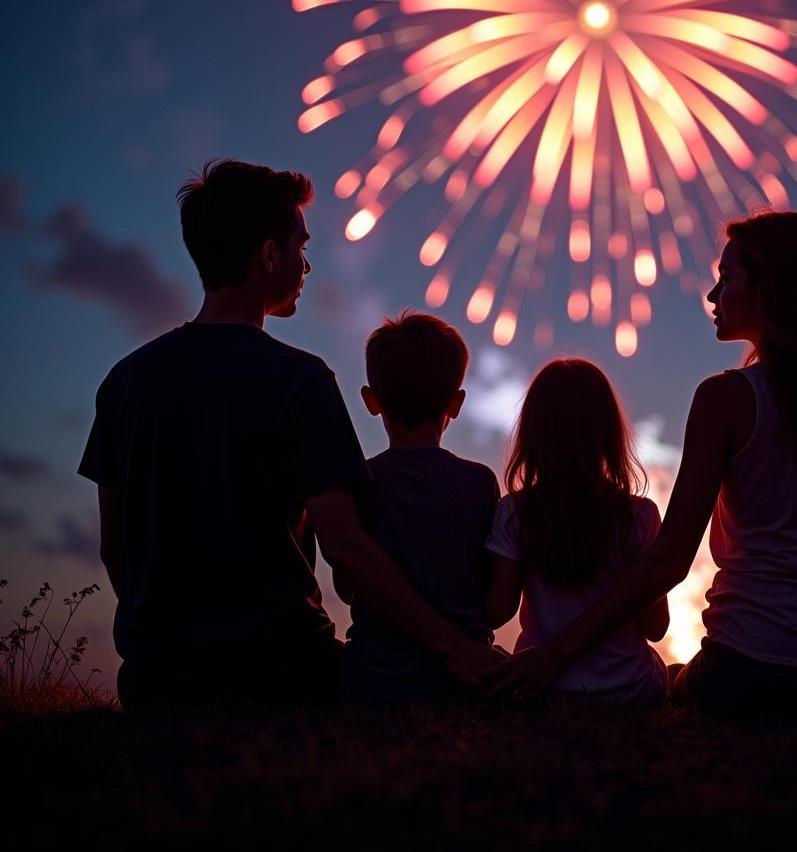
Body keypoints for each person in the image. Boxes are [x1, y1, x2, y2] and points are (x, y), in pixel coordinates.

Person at [79, 158, 499, 710]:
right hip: (281, 675)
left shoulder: (123, 382)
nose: (306, 265)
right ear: (269, 255)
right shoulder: (301, 380)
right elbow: (345, 545)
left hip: (154, 682)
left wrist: (169, 645)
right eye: (300, 248)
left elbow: (117, 549)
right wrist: (455, 649)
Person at [487, 211, 797, 716]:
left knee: (682, 681)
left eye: (726, 279)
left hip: (757, 668)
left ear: (769, 289)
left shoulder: (725, 399)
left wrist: (555, 652)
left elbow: (672, 558)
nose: (711, 296)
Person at [484, 359, 669, 707]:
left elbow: (497, 612)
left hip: (543, 690)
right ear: (609, 433)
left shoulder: (514, 513)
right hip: (630, 690)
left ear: (533, 433)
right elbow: (656, 627)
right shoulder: (640, 516)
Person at [340, 312, 501, 702]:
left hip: (373, 676)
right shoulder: (479, 483)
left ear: (371, 401)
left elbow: (346, 589)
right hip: (464, 679)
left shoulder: (357, 483)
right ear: (456, 403)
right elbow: (490, 600)